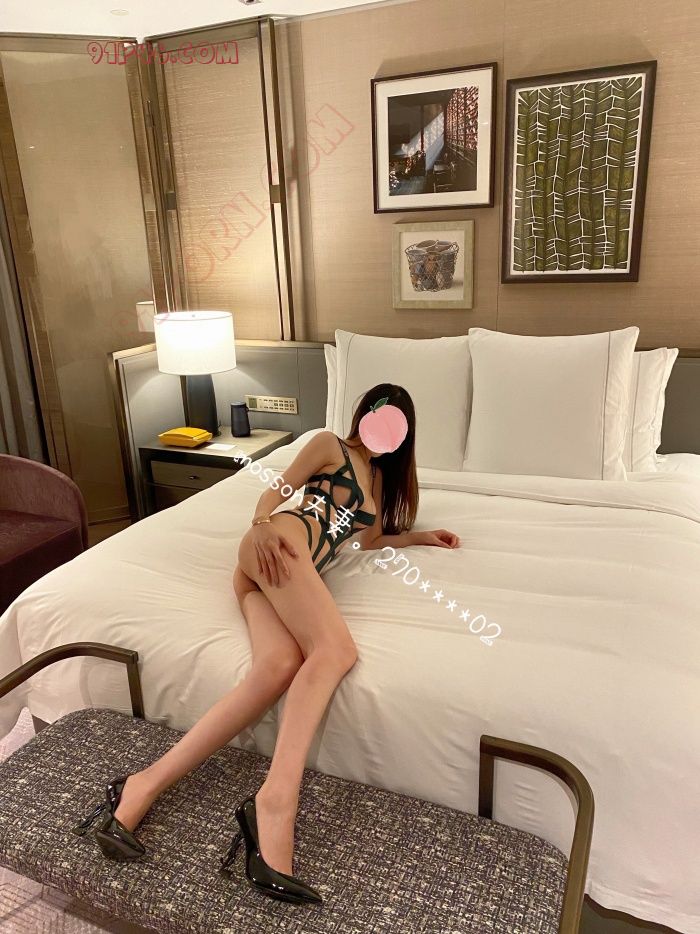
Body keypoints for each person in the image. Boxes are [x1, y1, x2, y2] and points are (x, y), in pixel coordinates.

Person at [70, 382, 460, 905]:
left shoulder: (378, 481)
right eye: (379, 413)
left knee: (277, 668)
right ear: (366, 414)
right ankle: (275, 802)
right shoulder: (329, 444)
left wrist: (420, 536)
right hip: (277, 544)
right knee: (336, 651)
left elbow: (369, 542)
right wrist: (258, 523)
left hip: (263, 576)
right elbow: (279, 486)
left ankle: (140, 786)